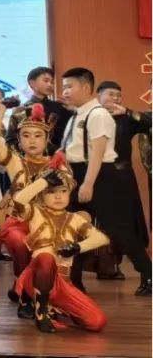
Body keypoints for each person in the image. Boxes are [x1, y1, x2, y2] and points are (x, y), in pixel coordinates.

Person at [61, 67, 152, 295]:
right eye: (64, 88)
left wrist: (88, 183)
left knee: (119, 230)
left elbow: (98, 151)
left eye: (69, 87)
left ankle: (149, 274)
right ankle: (74, 281)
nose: (65, 92)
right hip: (78, 175)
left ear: (86, 88)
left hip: (101, 176)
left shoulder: (98, 114)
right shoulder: (77, 115)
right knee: (74, 227)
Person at [12, 156, 109, 333]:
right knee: (46, 258)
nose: (58, 196)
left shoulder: (74, 219)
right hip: (38, 275)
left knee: (97, 321)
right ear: (42, 195)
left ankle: (55, 306)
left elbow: (102, 238)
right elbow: (19, 200)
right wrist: (43, 182)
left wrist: (77, 247)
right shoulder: (35, 212)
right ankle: (41, 311)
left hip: (63, 282)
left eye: (63, 191)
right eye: (51, 191)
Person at [0, 102, 54, 318]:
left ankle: (29, 287)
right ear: (18, 140)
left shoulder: (57, 165)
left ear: (47, 139)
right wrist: (1, 108)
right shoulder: (14, 162)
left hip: (47, 223)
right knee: (18, 241)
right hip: (19, 222)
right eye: (26, 135)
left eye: (38, 135)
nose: (32, 140)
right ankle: (25, 294)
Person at [97, 80, 152, 292]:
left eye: (118, 95)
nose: (115, 99)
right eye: (110, 94)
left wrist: (128, 112)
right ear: (99, 97)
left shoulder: (126, 119)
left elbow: (148, 123)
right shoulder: (91, 117)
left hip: (122, 179)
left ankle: (147, 276)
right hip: (94, 178)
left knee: (128, 228)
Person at [8, 67, 72, 152]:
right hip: (26, 157)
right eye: (46, 81)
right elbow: (11, 140)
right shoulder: (21, 110)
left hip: (56, 156)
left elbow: (69, 136)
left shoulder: (60, 107)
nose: (50, 84)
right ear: (32, 83)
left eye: (52, 82)